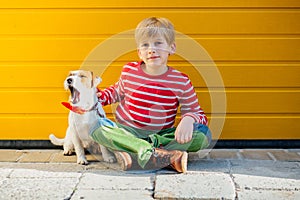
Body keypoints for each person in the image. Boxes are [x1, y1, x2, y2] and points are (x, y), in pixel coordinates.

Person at [90, 17, 211, 173]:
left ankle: (134, 153)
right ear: (140, 53)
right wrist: (97, 96)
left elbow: (199, 114)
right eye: (145, 45)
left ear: (171, 48)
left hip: (160, 137)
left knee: (203, 135)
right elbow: (115, 93)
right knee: (97, 127)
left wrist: (189, 118)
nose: (151, 49)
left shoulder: (181, 81)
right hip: (128, 131)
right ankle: (159, 156)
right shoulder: (129, 71)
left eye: (158, 43)